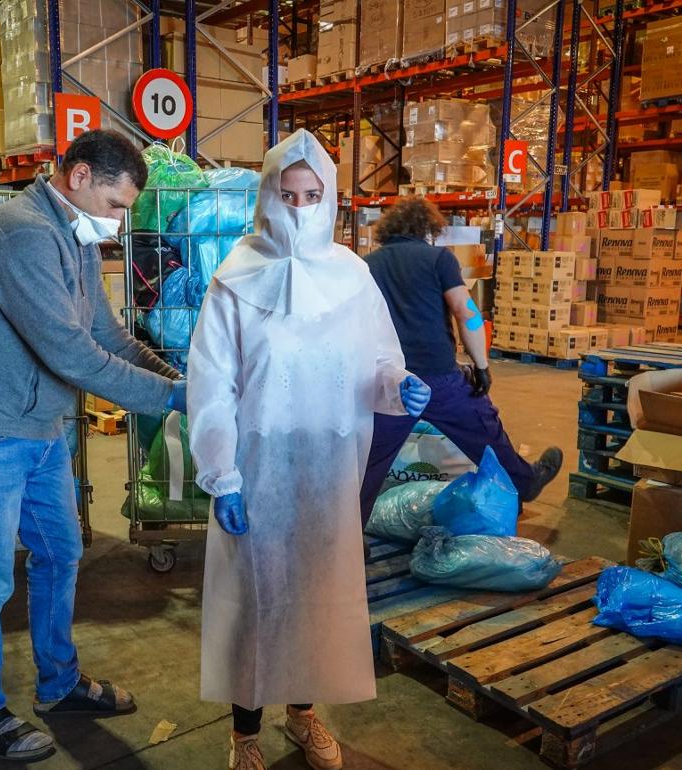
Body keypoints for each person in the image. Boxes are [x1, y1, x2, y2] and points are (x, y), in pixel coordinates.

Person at [0, 130, 186, 762]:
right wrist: (176, 403)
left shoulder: (74, 241)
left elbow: (108, 336)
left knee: (59, 552)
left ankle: (59, 683)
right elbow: (72, 355)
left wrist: (177, 382)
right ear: (77, 177)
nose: (119, 221)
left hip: (41, 426)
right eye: (116, 205)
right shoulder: (21, 234)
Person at [187, 129, 432, 770]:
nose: (298, 208)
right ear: (268, 196)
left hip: (328, 468)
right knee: (256, 596)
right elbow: (213, 385)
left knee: (315, 593)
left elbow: (376, 360)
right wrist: (223, 473)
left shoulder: (352, 276)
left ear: (329, 200)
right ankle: (244, 732)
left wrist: (397, 385)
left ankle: (302, 715)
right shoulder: (234, 280)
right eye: (287, 193)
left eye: (312, 195)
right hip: (257, 466)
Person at [359, 197, 562, 526]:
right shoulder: (439, 258)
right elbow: (465, 312)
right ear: (428, 228)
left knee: (368, 461)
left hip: (390, 381)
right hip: (438, 376)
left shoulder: (367, 264)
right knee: (484, 429)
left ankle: (350, 538)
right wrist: (480, 364)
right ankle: (525, 482)